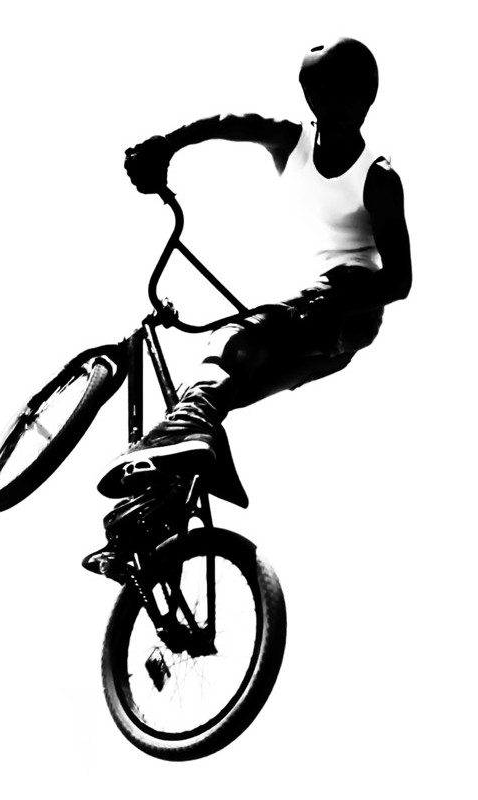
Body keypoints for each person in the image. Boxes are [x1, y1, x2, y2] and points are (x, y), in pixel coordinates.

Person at [83, 37, 412, 576]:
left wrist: (336, 301)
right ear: (310, 97)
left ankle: (183, 443)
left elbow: (399, 280)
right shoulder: (291, 142)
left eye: (347, 99)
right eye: (323, 95)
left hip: (350, 307)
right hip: (323, 344)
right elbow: (229, 123)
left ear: (366, 102)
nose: (334, 109)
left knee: (235, 340)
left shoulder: (377, 177)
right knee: (217, 388)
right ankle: (147, 524)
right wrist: (168, 145)